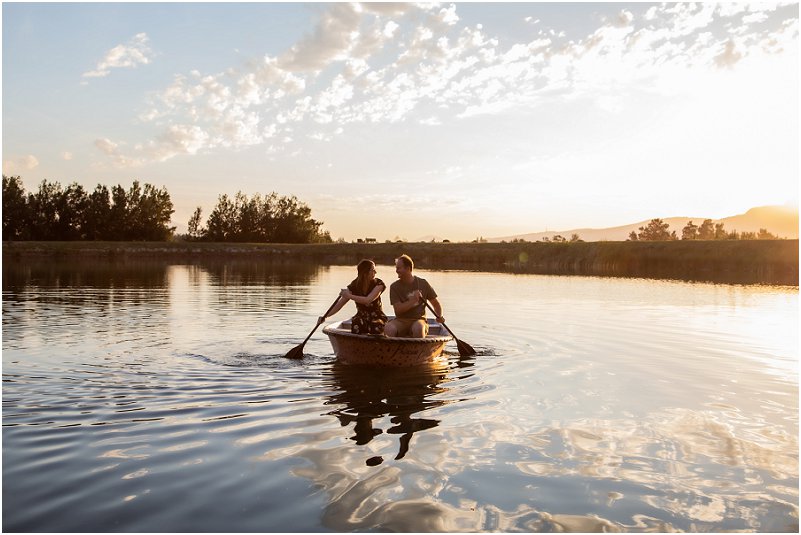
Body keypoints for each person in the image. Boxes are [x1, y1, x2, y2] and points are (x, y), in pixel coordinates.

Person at [318, 259, 388, 335]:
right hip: (361, 317)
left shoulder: (379, 284)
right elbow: (339, 305)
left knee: (375, 327)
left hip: (377, 317)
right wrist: (325, 316)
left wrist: (349, 296)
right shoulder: (354, 285)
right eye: (373, 270)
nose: (375, 272)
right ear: (365, 272)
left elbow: (368, 300)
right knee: (357, 324)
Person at [385, 254, 445, 338]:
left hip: (419, 320)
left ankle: (418, 346)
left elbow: (436, 304)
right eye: (396, 268)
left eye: (399, 268)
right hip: (401, 320)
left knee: (418, 328)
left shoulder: (423, 283)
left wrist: (439, 316)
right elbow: (398, 311)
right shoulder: (394, 286)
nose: (396, 271)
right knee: (388, 328)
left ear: (408, 269)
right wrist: (413, 301)